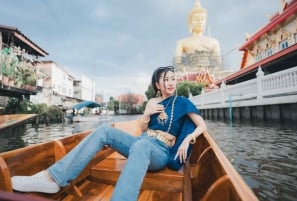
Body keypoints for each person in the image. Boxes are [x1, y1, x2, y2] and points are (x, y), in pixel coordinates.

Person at [11, 66, 207, 201]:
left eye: (173, 79)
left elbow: (201, 125)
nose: (171, 82)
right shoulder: (151, 103)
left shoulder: (182, 102)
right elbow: (144, 130)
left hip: (161, 151)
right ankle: (53, 178)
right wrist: (146, 114)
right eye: (166, 79)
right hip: (143, 141)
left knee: (142, 145)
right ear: (158, 84)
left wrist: (188, 138)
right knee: (105, 131)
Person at [175, 0, 221, 77]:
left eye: (203, 19)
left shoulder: (213, 42)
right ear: (190, 22)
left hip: (210, 74)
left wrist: (210, 70)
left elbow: (218, 64)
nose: (200, 22)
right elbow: (178, 64)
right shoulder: (182, 42)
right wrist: (192, 70)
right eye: (197, 19)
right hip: (190, 73)